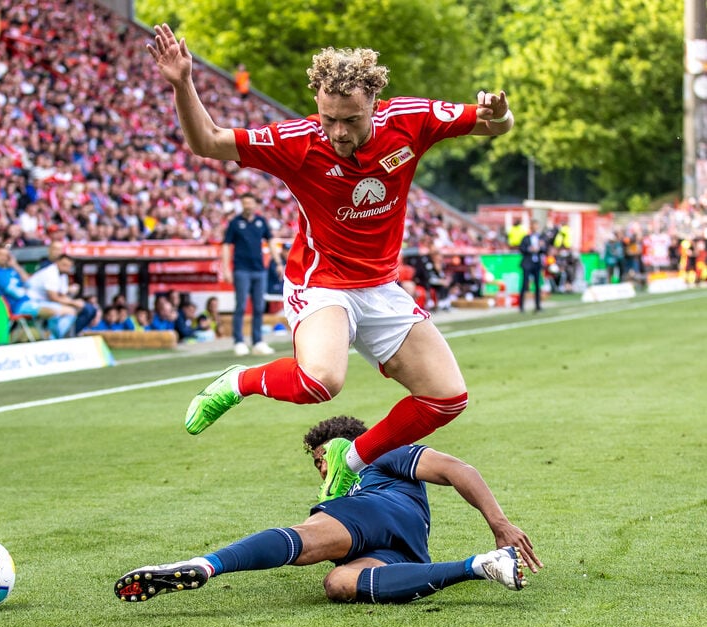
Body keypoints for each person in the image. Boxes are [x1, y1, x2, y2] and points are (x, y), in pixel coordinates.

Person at [147, 24, 514, 499]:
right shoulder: (297, 141)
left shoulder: (413, 119)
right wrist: (182, 84)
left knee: (446, 398)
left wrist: (500, 114)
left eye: (351, 120)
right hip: (322, 282)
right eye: (329, 118)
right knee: (322, 381)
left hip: (380, 287)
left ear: (375, 106)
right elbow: (208, 142)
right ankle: (237, 381)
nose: (339, 131)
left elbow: (496, 126)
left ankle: (352, 458)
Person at [115, 415, 542, 605]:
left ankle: (205, 565)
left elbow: (456, 469)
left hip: (378, 510)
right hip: (405, 547)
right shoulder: (350, 485)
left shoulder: (376, 452)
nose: (322, 466)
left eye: (323, 457)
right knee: (339, 583)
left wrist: (499, 522)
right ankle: (481, 566)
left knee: (306, 539)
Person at [222, 192, 284, 356]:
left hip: (259, 269)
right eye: (245, 203)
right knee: (241, 306)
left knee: (258, 307)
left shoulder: (260, 221)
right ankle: (239, 341)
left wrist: (278, 263)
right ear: (241, 204)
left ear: (255, 204)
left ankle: (258, 341)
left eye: (250, 202)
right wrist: (226, 268)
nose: (247, 205)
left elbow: (270, 241)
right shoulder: (235, 223)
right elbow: (226, 245)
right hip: (241, 269)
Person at [0, 242, 80, 340]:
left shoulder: (12, 270)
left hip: (31, 301)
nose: (4, 257)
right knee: (53, 312)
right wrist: (30, 292)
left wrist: (15, 265)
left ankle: (52, 338)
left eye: (6, 255)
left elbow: (28, 282)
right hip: (19, 305)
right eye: (1, 255)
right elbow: (17, 293)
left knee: (70, 311)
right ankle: (51, 339)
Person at [26, 252, 98, 336]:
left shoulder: (63, 275)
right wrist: (74, 303)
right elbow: (53, 297)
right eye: (64, 265)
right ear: (57, 262)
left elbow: (62, 296)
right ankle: (56, 338)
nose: (66, 268)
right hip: (33, 303)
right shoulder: (50, 273)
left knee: (87, 309)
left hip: (46, 302)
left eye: (68, 266)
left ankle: (68, 335)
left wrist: (76, 303)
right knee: (70, 311)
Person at [518, 220, 546, 313]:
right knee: (525, 285)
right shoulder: (526, 238)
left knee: (537, 285)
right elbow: (522, 249)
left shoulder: (541, 238)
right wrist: (530, 249)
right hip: (527, 263)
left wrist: (540, 247)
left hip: (537, 263)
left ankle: (538, 306)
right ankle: (521, 306)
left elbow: (545, 249)